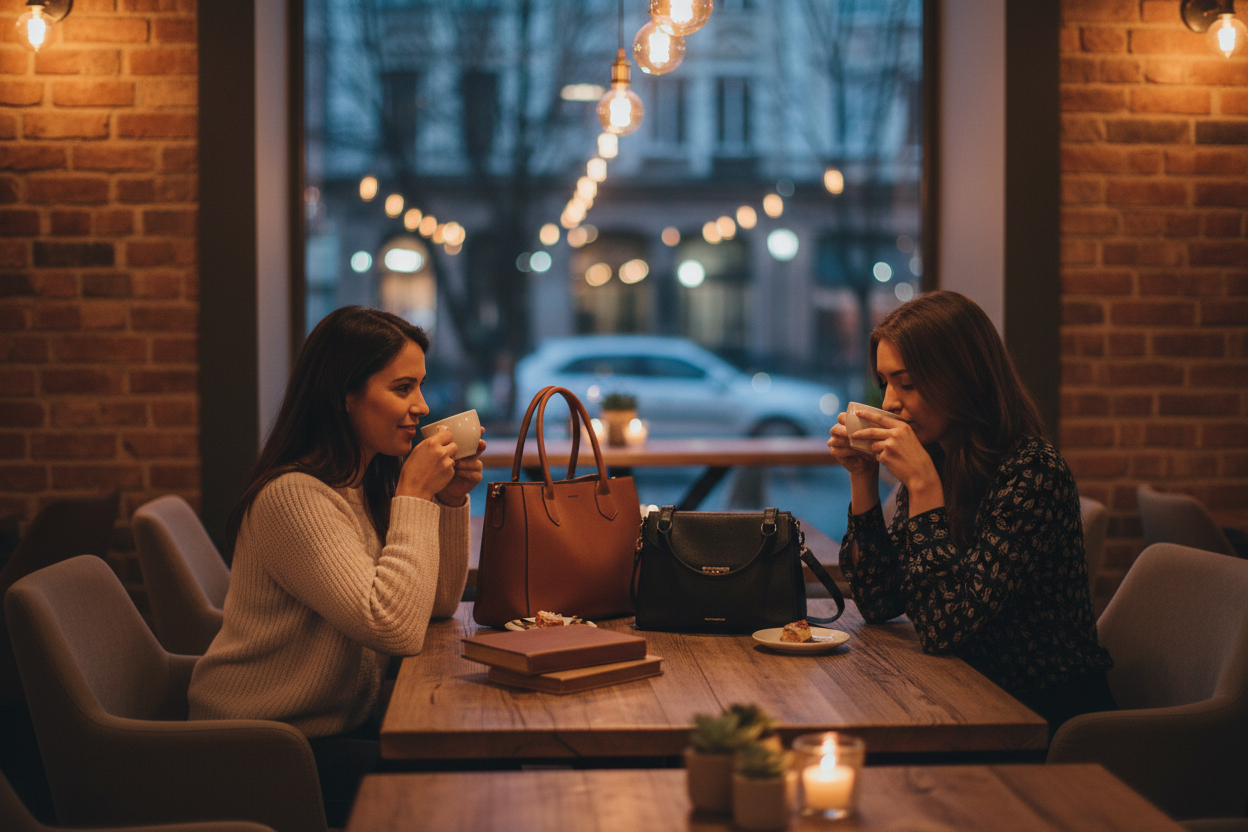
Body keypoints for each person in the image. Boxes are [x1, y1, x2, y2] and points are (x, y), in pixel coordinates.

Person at [188, 306, 484, 823]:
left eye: (420, 386)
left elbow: (434, 605)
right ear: (345, 396)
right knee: (465, 787)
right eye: (402, 388)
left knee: (477, 761)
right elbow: (393, 629)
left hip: (330, 726)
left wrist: (450, 500)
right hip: (263, 748)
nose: (422, 405)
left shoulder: (358, 485)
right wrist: (414, 494)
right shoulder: (293, 497)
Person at [827, 291, 1113, 734]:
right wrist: (862, 476)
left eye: (906, 383)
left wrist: (922, 484)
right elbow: (879, 601)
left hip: (1037, 713)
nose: (888, 403)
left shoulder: (1033, 472)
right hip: (960, 691)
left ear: (960, 379)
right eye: (884, 382)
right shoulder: (942, 457)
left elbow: (944, 626)